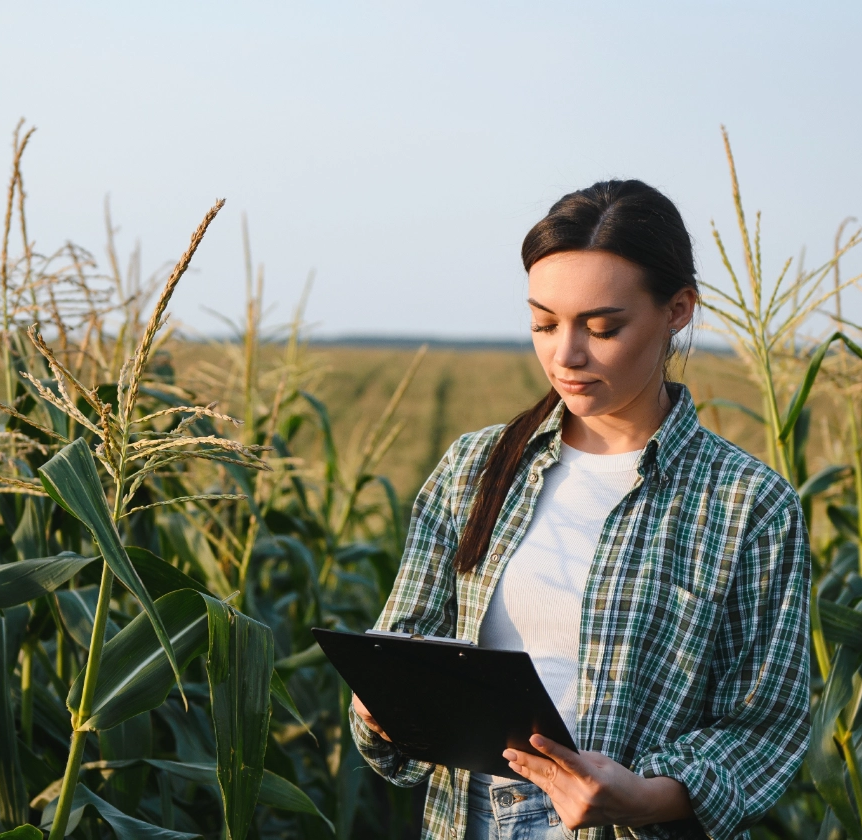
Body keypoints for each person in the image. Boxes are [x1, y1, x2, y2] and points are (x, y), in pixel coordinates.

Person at [348, 180, 811, 840]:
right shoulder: (474, 469)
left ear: (677, 310)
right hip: (468, 820)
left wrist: (642, 797)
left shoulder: (748, 505)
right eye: (543, 323)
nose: (565, 355)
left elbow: (763, 729)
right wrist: (383, 708)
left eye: (602, 328)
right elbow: (403, 649)